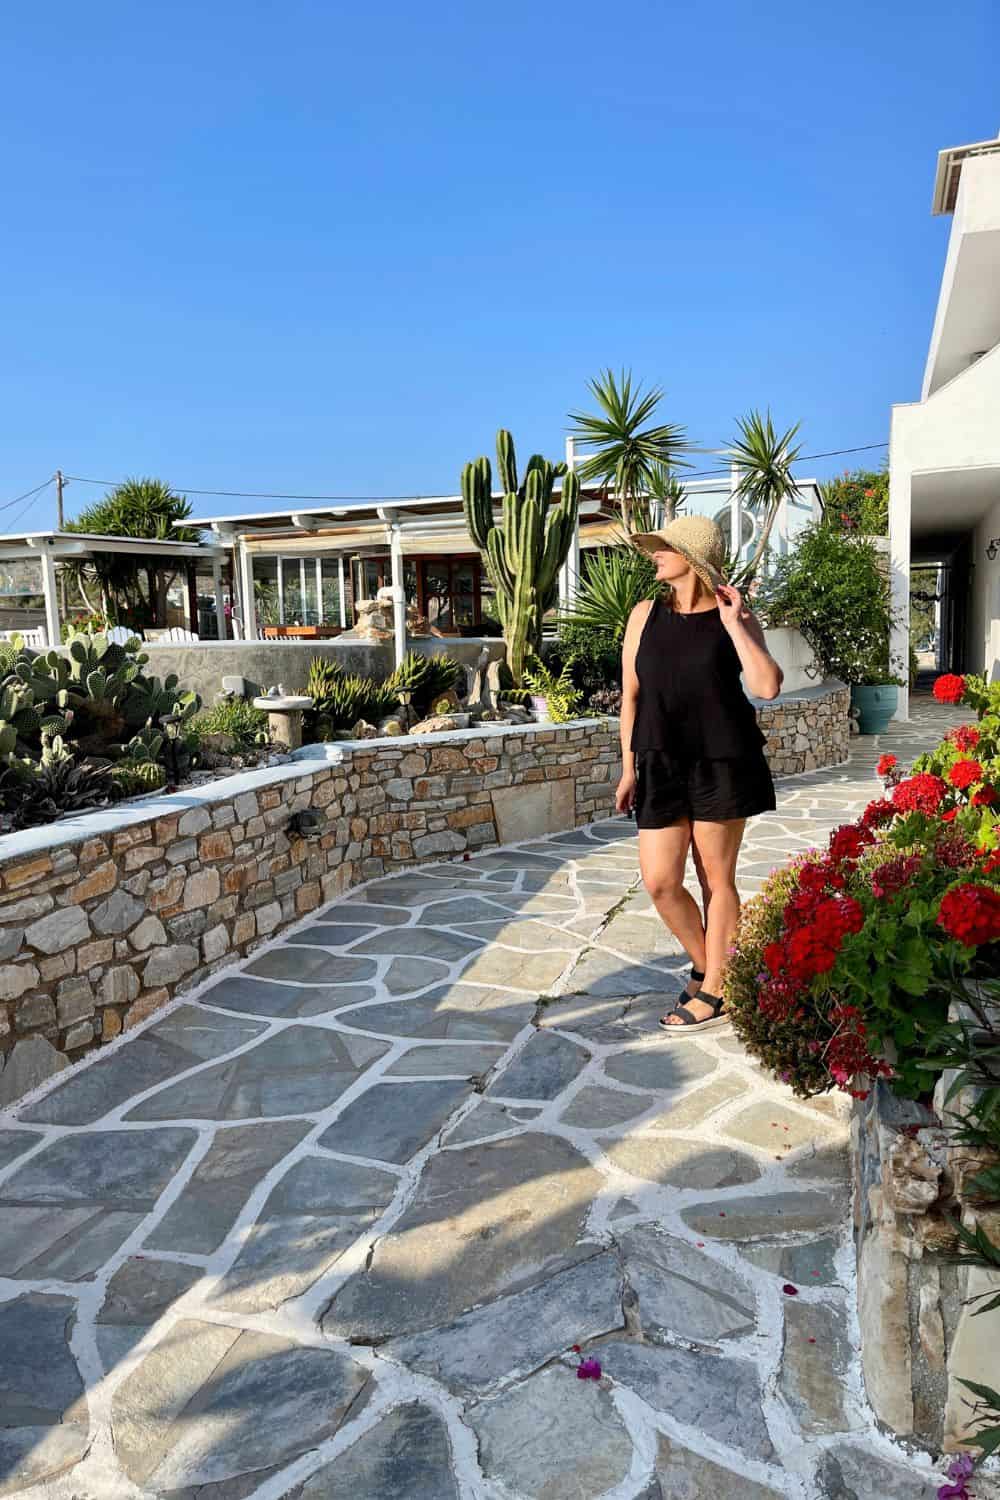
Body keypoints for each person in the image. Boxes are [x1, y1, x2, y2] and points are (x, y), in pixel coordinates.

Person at [614, 515, 783, 1030]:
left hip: (722, 759)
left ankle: (713, 990)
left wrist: (737, 626)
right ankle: (713, 966)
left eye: (663, 548)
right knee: (660, 880)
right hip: (659, 760)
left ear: (691, 557)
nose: (654, 555)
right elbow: (631, 696)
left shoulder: (734, 617)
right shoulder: (643, 614)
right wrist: (627, 769)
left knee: (716, 879)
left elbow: (767, 685)